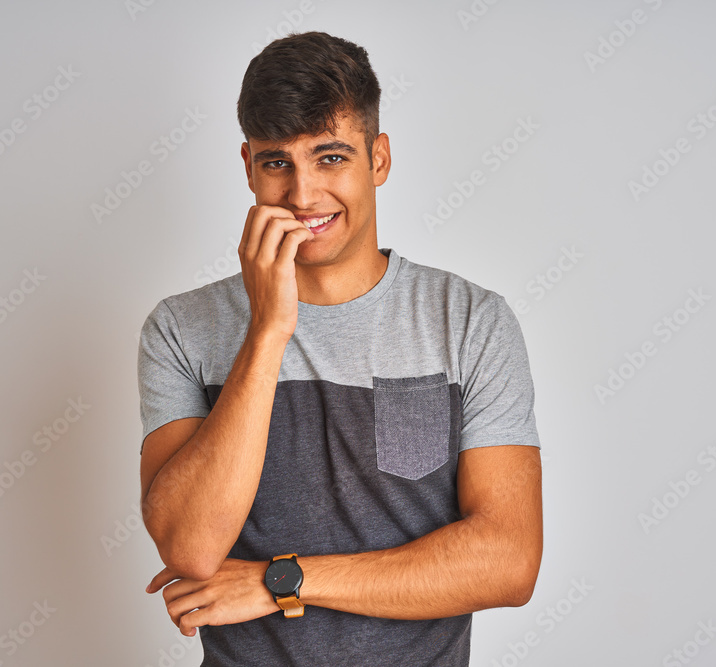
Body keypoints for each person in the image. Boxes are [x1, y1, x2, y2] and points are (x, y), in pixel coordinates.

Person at [137, 31, 543, 666]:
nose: (303, 196)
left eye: (330, 158)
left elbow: (508, 560)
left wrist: (282, 583)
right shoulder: (181, 329)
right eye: (278, 163)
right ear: (247, 165)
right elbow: (189, 548)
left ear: (378, 159)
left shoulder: (471, 322)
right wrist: (268, 331)